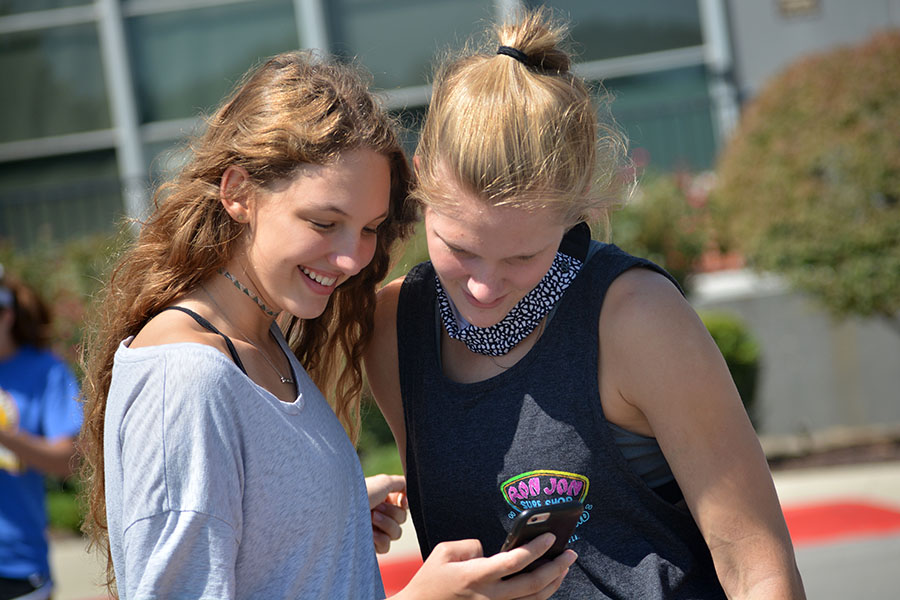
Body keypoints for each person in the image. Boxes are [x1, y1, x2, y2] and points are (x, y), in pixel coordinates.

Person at [78, 50, 575, 600]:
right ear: (238, 192)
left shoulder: (259, 341)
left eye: (369, 228)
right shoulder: (187, 378)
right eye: (324, 222)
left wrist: (320, 523)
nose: (351, 258)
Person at [364, 9, 807, 599]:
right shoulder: (393, 328)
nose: (483, 286)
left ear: (575, 214)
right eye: (460, 248)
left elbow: (758, 567)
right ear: (420, 182)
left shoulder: (635, 318)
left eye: (523, 258)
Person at [0, 265, 82, 600]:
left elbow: (68, 462)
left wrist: (5, 436)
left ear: (6, 315)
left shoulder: (45, 371)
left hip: (17, 563)